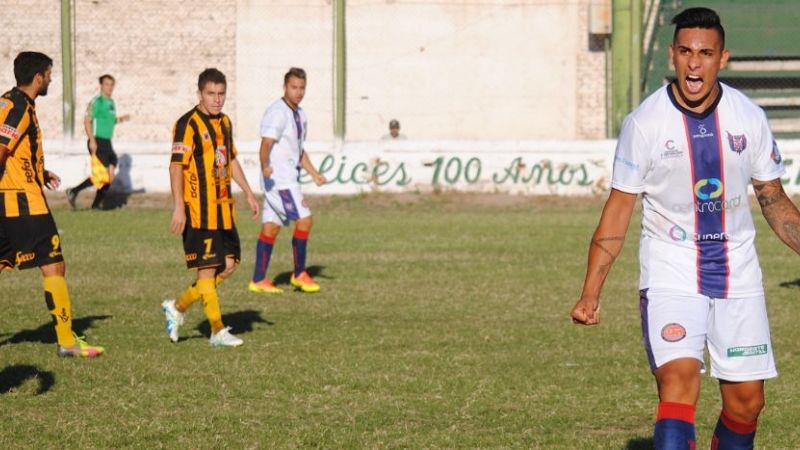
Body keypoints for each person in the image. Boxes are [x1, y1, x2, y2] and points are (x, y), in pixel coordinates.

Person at [570, 8, 800, 449]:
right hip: (671, 272)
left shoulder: (748, 117)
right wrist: (590, 292)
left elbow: (773, 199)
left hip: (739, 274)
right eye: (686, 52)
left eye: (706, 53)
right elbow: (618, 210)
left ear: (722, 58)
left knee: (746, 404)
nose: (695, 63)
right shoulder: (645, 124)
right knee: (678, 384)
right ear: (673, 55)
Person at [0, 52, 104, 357]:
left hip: (9, 198)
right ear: (38, 78)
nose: (50, 79)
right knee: (54, 265)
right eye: (49, 74)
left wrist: (39, 170)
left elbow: (13, 150)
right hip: (24, 203)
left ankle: (66, 340)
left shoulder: (7, 101)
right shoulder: (19, 107)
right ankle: (67, 342)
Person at [161, 68, 260, 347]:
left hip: (223, 211)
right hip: (198, 213)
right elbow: (175, 167)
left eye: (221, 94)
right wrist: (179, 207)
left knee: (228, 266)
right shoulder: (188, 124)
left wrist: (249, 193)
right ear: (199, 94)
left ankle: (177, 307)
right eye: (211, 94)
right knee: (206, 272)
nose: (217, 99)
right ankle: (217, 331)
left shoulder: (225, 123)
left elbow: (230, 161)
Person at [248, 67, 327, 295]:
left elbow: (298, 150)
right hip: (280, 181)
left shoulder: (300, 114)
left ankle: (258, 280)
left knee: (271, 228)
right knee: (305, 220)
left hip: (289, 179)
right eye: (294, 87)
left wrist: (314, 173)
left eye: (302, 88)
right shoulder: (277, 112)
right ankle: (299, 273)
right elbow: (265, 145)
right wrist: (265, 166)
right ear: (285, 87)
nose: (298, 92)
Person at [66, 74, 130, 210]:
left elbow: (109, 120)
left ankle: (95, 205)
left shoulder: (111, 103)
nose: (110, 87)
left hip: (107, 142)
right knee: (102, 176)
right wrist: (92, 140)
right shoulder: (97, 101)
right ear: (101, 85)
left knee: (110, 175)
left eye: (112, 84)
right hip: (97, 141)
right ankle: (73, 191)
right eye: (107, 84)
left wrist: (121, 119)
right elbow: (87, 120)